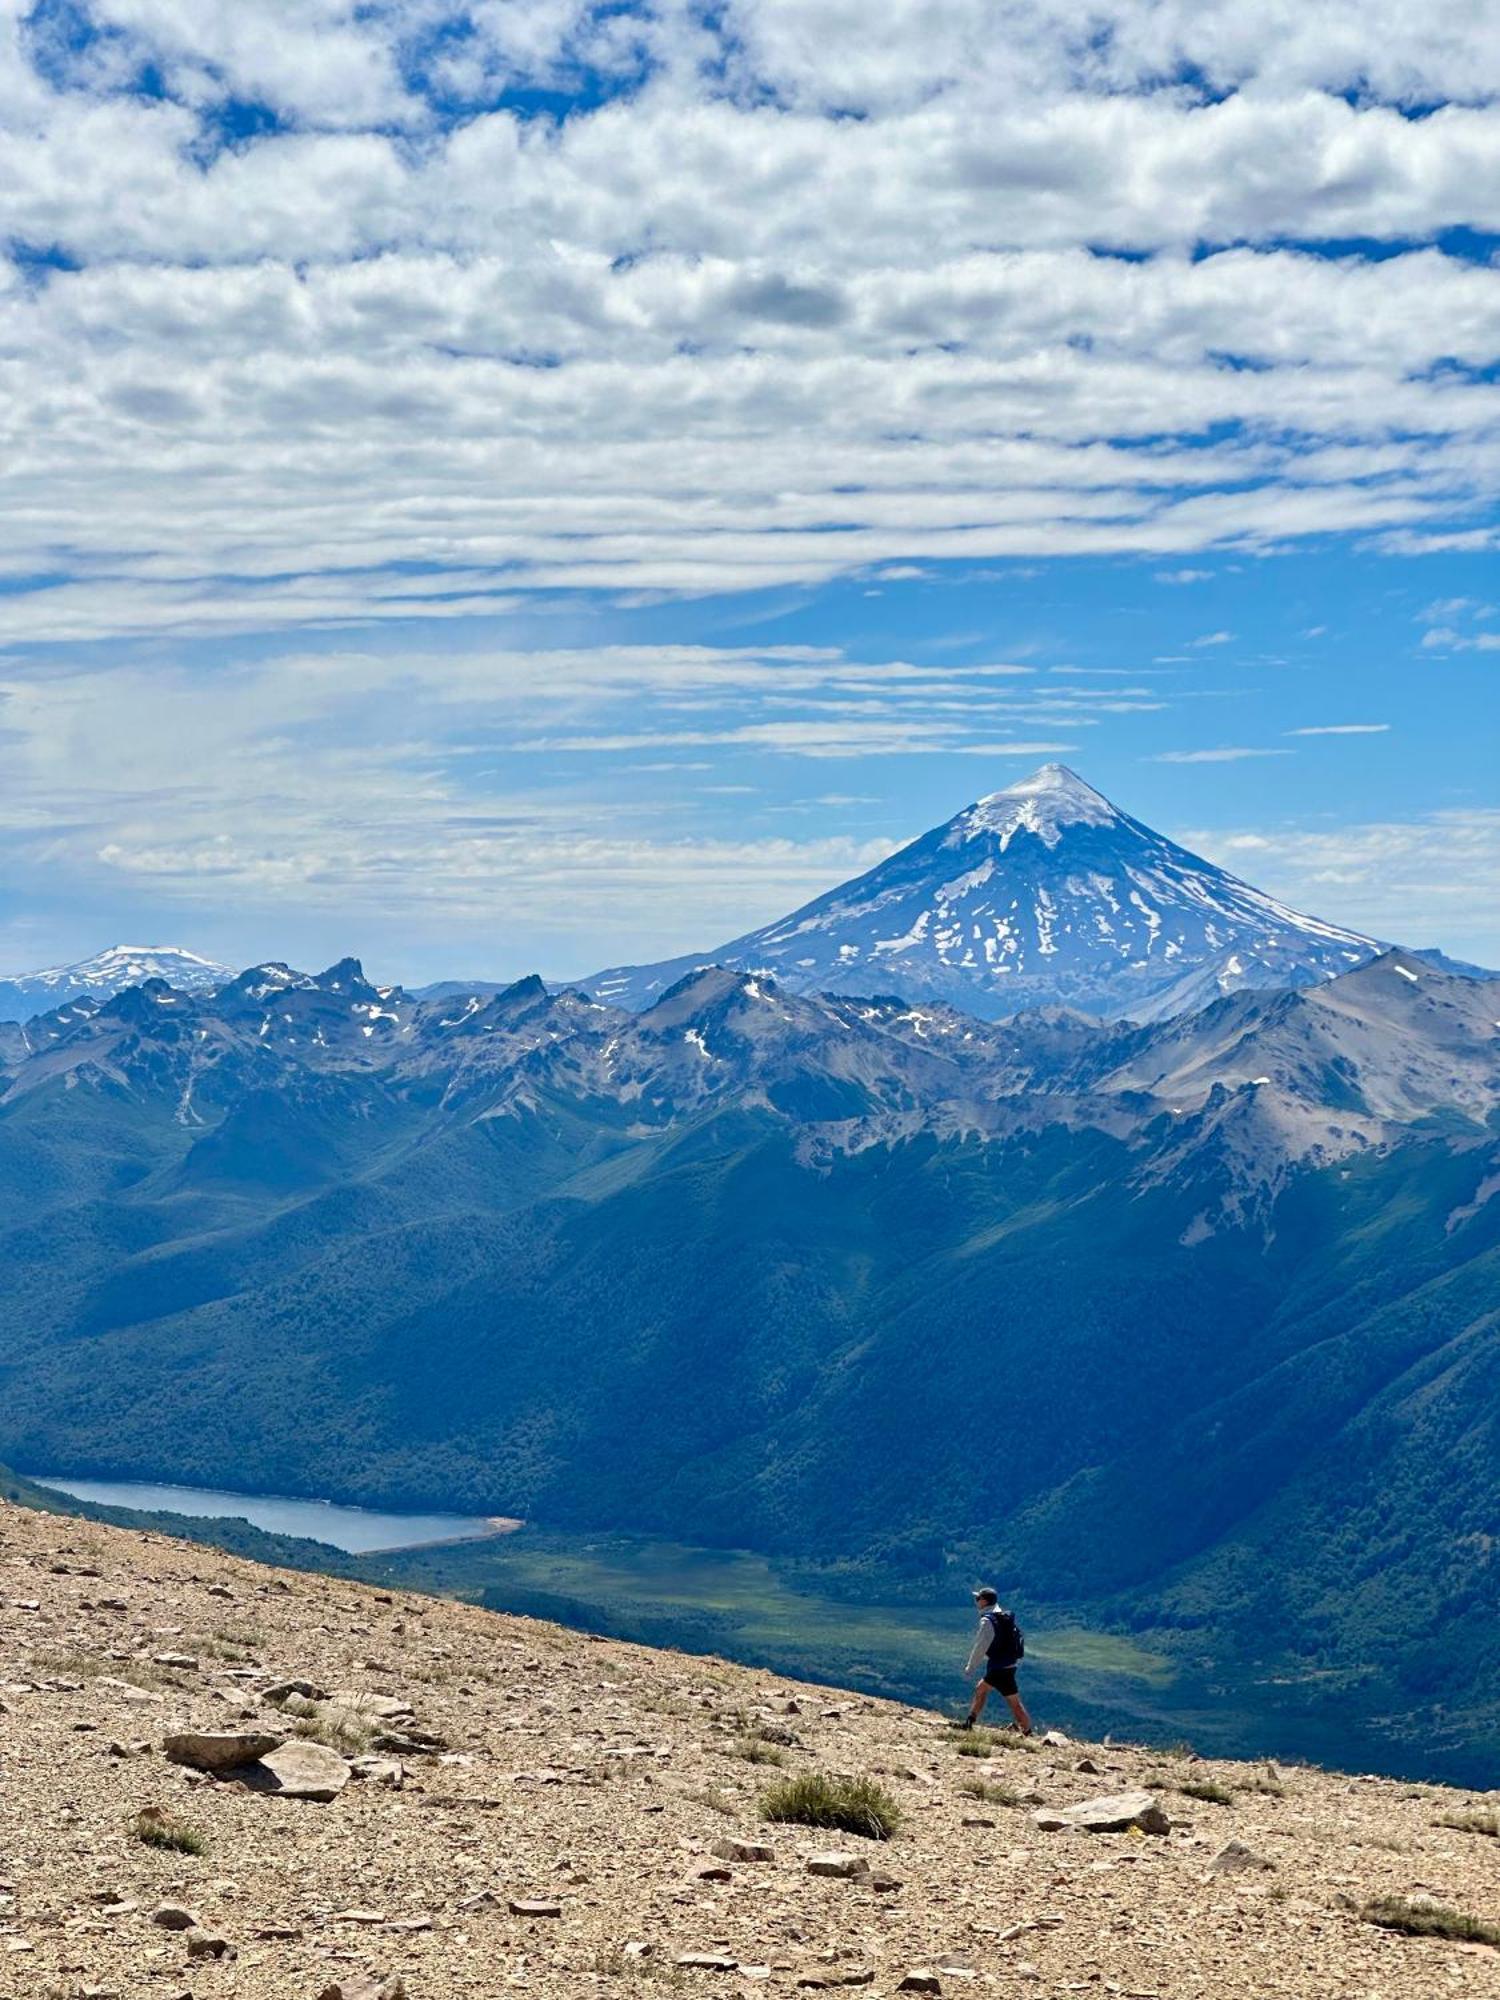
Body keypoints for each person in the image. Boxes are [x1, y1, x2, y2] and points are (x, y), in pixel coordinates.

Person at [958, 1585, 1032, 1734]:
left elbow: (981, 1646)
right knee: (1007, 1699)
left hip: (999, 1667)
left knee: (986, 1691)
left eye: (978, 1598)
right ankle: (1027, 1731)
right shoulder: (1003, 1616)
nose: (976, 1601)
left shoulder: (988, 1621)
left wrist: (970, 1667)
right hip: (1009, 1664)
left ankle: (969, 1724)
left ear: (984, 1601)